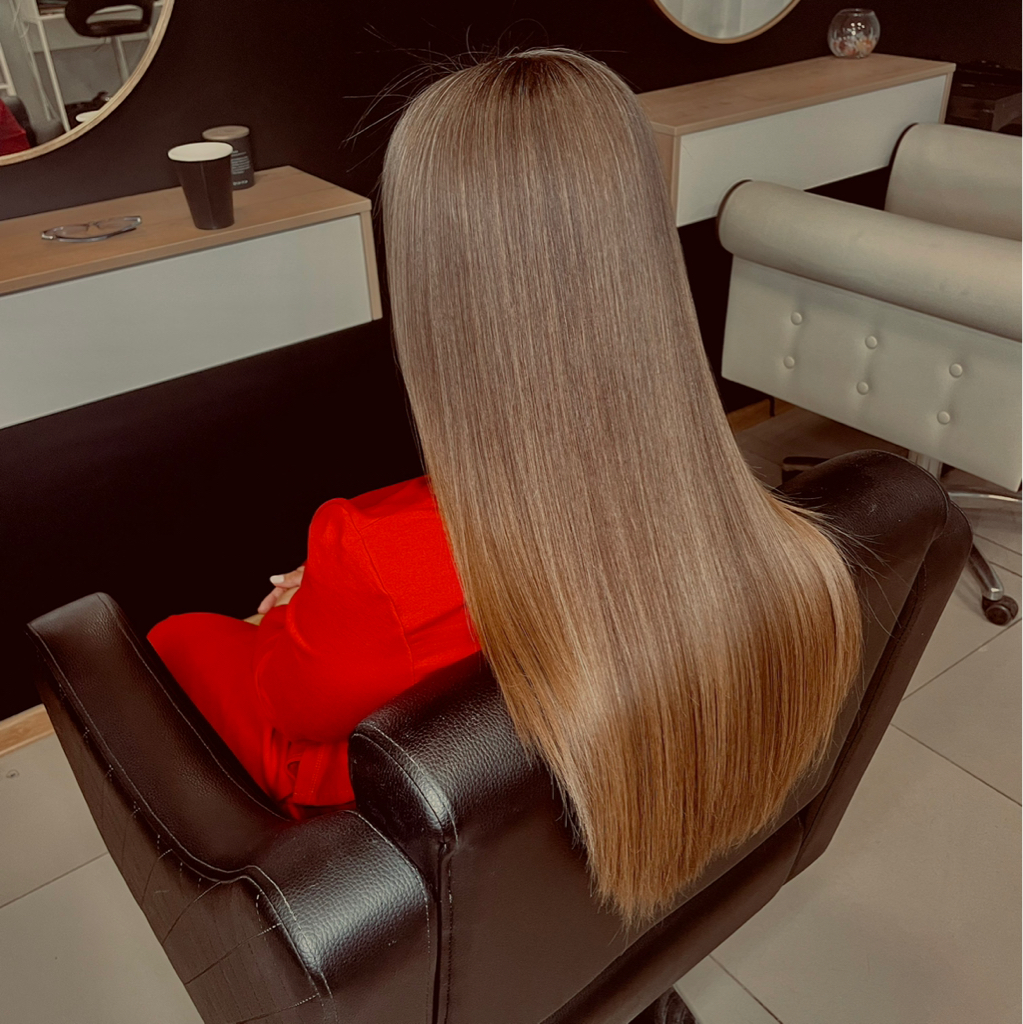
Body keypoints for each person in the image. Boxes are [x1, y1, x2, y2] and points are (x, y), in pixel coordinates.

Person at [150, 48, 862, 925]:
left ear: (434, 282)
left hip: (415, 845)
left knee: (178, 640)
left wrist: (291, 617)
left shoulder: (374, 552)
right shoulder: (770, 544)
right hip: (607, 878)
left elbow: (287, 713)